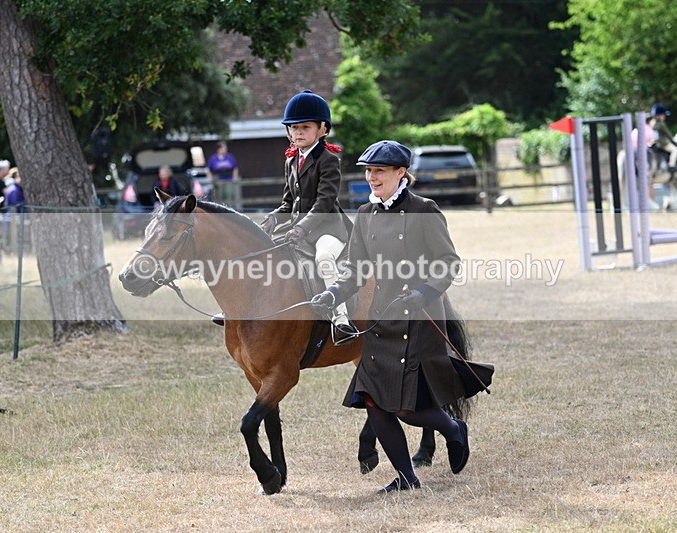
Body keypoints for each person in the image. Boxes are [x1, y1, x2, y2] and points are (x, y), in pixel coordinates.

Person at [310, 140, 486, 494]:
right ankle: (407, 478)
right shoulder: (365, 214)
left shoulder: (425, 209)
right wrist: (333, 293)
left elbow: (448, 261)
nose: (372, 177)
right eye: (368, 171)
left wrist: (425, 290)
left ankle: (453, 429)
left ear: (401, 173)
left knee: (406, 407)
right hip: (380, 321)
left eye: (380, 171)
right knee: (373, 402)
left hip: (418, 320)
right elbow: (354, 269)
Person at [253, 90, 357, 342]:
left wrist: (302, 228)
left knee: (324, 258)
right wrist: (273, 218)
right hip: (297, 229)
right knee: (261, 252)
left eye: (305, 127)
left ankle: (341, 320)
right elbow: (289, 202)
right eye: (293, 127)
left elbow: (324, 202)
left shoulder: (328, 160)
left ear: (323, 129)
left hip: (328, 229)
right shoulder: (291, 161)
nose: (298, 132)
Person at [649, 103, 677, 171]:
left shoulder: (651, 122)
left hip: (653, 143)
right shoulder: (661, 124)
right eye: (663, 115)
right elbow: (668, 134)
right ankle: (671, 165)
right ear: (658, 115)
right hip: (662, 143)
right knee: (675, 151)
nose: (664, 116)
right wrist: (674, 141)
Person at [206, 141, 240, 206]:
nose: (225, 150)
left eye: (225, 148)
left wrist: (234, 177)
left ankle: (229, 209)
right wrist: (211, 178)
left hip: (228, 178)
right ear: (219, 149)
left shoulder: (229, 157)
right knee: (220, 195)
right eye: (223, 148)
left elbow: (235, 167)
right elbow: (208, 169)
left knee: (228, 193)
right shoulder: (213, 158)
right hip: (218, 178)